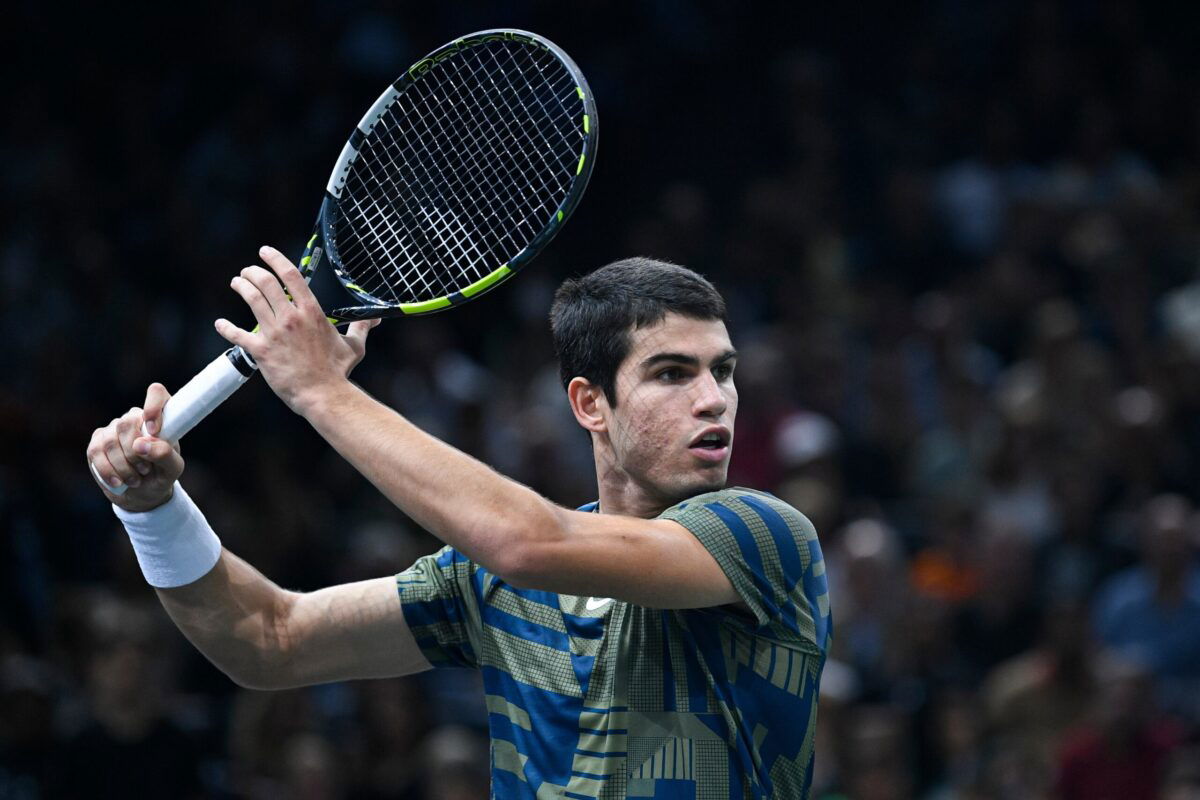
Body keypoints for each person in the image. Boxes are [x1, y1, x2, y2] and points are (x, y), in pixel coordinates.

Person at [86, 250, 832, 798]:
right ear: (589, 404)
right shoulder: (487, 584)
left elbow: (529, 543)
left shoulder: (760, 534)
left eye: (723, 371)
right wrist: (153, 511)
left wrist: (319, 390)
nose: (715, 400)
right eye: (673, 373)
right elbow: (268, 640)